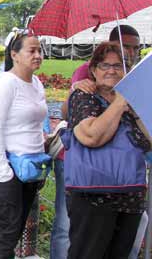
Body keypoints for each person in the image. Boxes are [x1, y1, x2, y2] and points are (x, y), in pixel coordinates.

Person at [56, 25, 145, 259]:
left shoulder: (134, 99)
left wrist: (132, 102)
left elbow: (148, 139)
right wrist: (119, 102)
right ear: (93, 69)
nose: (112, 71)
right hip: (93, 194)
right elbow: (91, 136)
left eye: (119, 65)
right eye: (105, 65)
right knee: (88, 253)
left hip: (130, 193)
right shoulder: (84, 95)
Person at [0, 30, 47, 258]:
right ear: (15, 54)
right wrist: (3, 171)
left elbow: (35, 122)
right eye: (32, 50)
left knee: (15, 230)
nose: (38, 55)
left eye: (40, 50)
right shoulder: (5, 84)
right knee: (6, 233)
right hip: (8, 167)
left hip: (30, 167)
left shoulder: (37, 83)